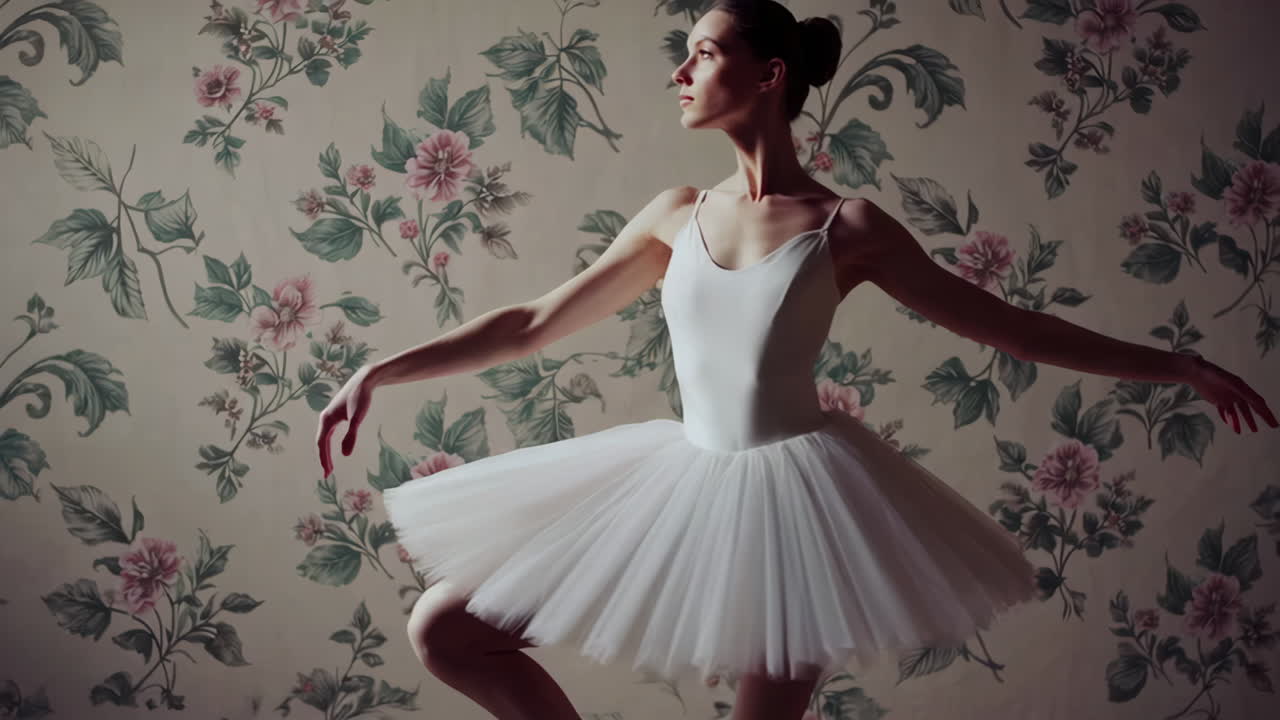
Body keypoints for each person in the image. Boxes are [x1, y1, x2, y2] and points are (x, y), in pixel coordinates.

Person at [315, 2, 1277, 718]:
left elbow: (1014, 329)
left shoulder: (844, 227)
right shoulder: (673, 214)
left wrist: (1180, 367)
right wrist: (378, 371)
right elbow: (530, 322)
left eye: (701, 51)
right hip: (675, 478)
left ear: (770, 73)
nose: (680, 72)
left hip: (799, 505)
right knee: (446, 629)